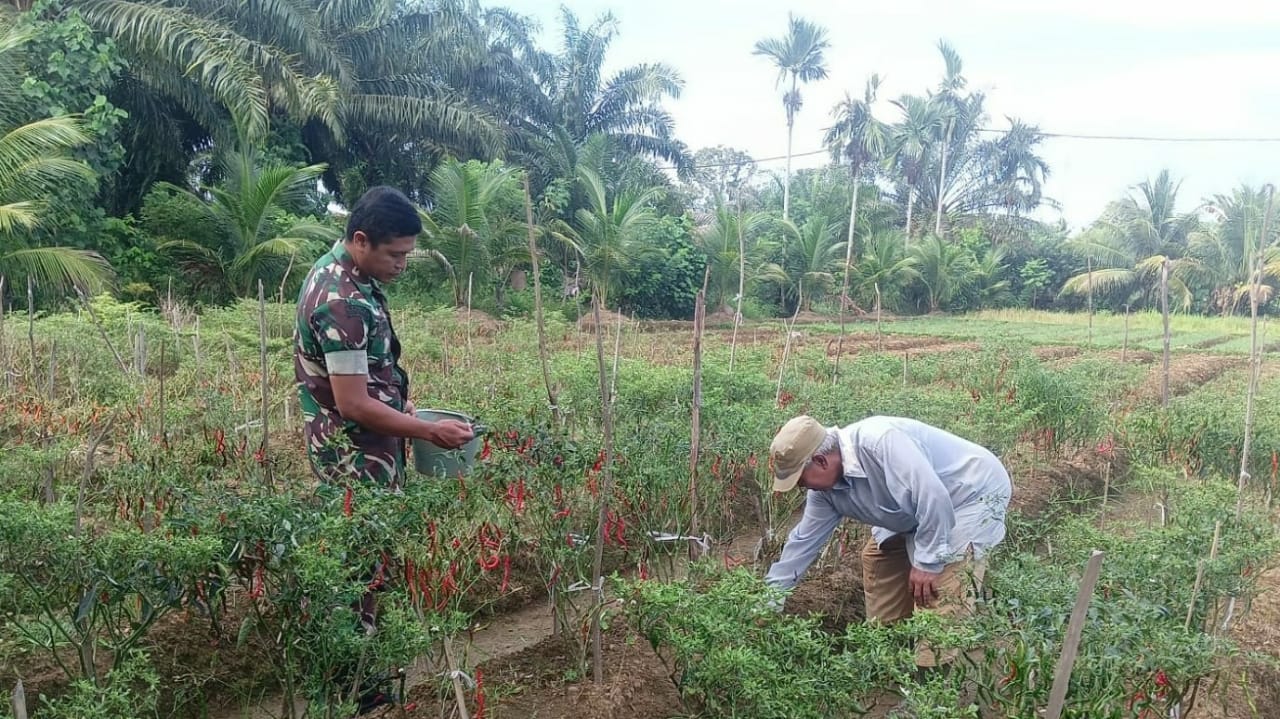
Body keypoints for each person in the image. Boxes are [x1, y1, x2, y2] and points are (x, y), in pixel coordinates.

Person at [293, 185, 474, 712]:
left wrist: (405, 411)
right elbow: (352, 404)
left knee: (367, 560)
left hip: (371, 446)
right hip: (353, 454)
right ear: (360, 240)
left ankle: (359, 675)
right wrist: (427, 432)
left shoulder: (355, 279)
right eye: (395, 254)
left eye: (407, 254)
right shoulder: (342, 301)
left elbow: (369, 379)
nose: (402, 264)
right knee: (359, 564)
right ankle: (347, 686)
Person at [764, 414, 1011, 668]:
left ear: (820, 461)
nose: (802, 488)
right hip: (912, 509)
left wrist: (928, 563)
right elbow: (802, 543)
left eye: (801, 481)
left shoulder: (880, 444)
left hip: (969, 496)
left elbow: (933, 497)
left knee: (939, 586)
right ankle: (891, 648)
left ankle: (930, 684)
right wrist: (767, 602)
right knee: (878, 559)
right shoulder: (824, 494)